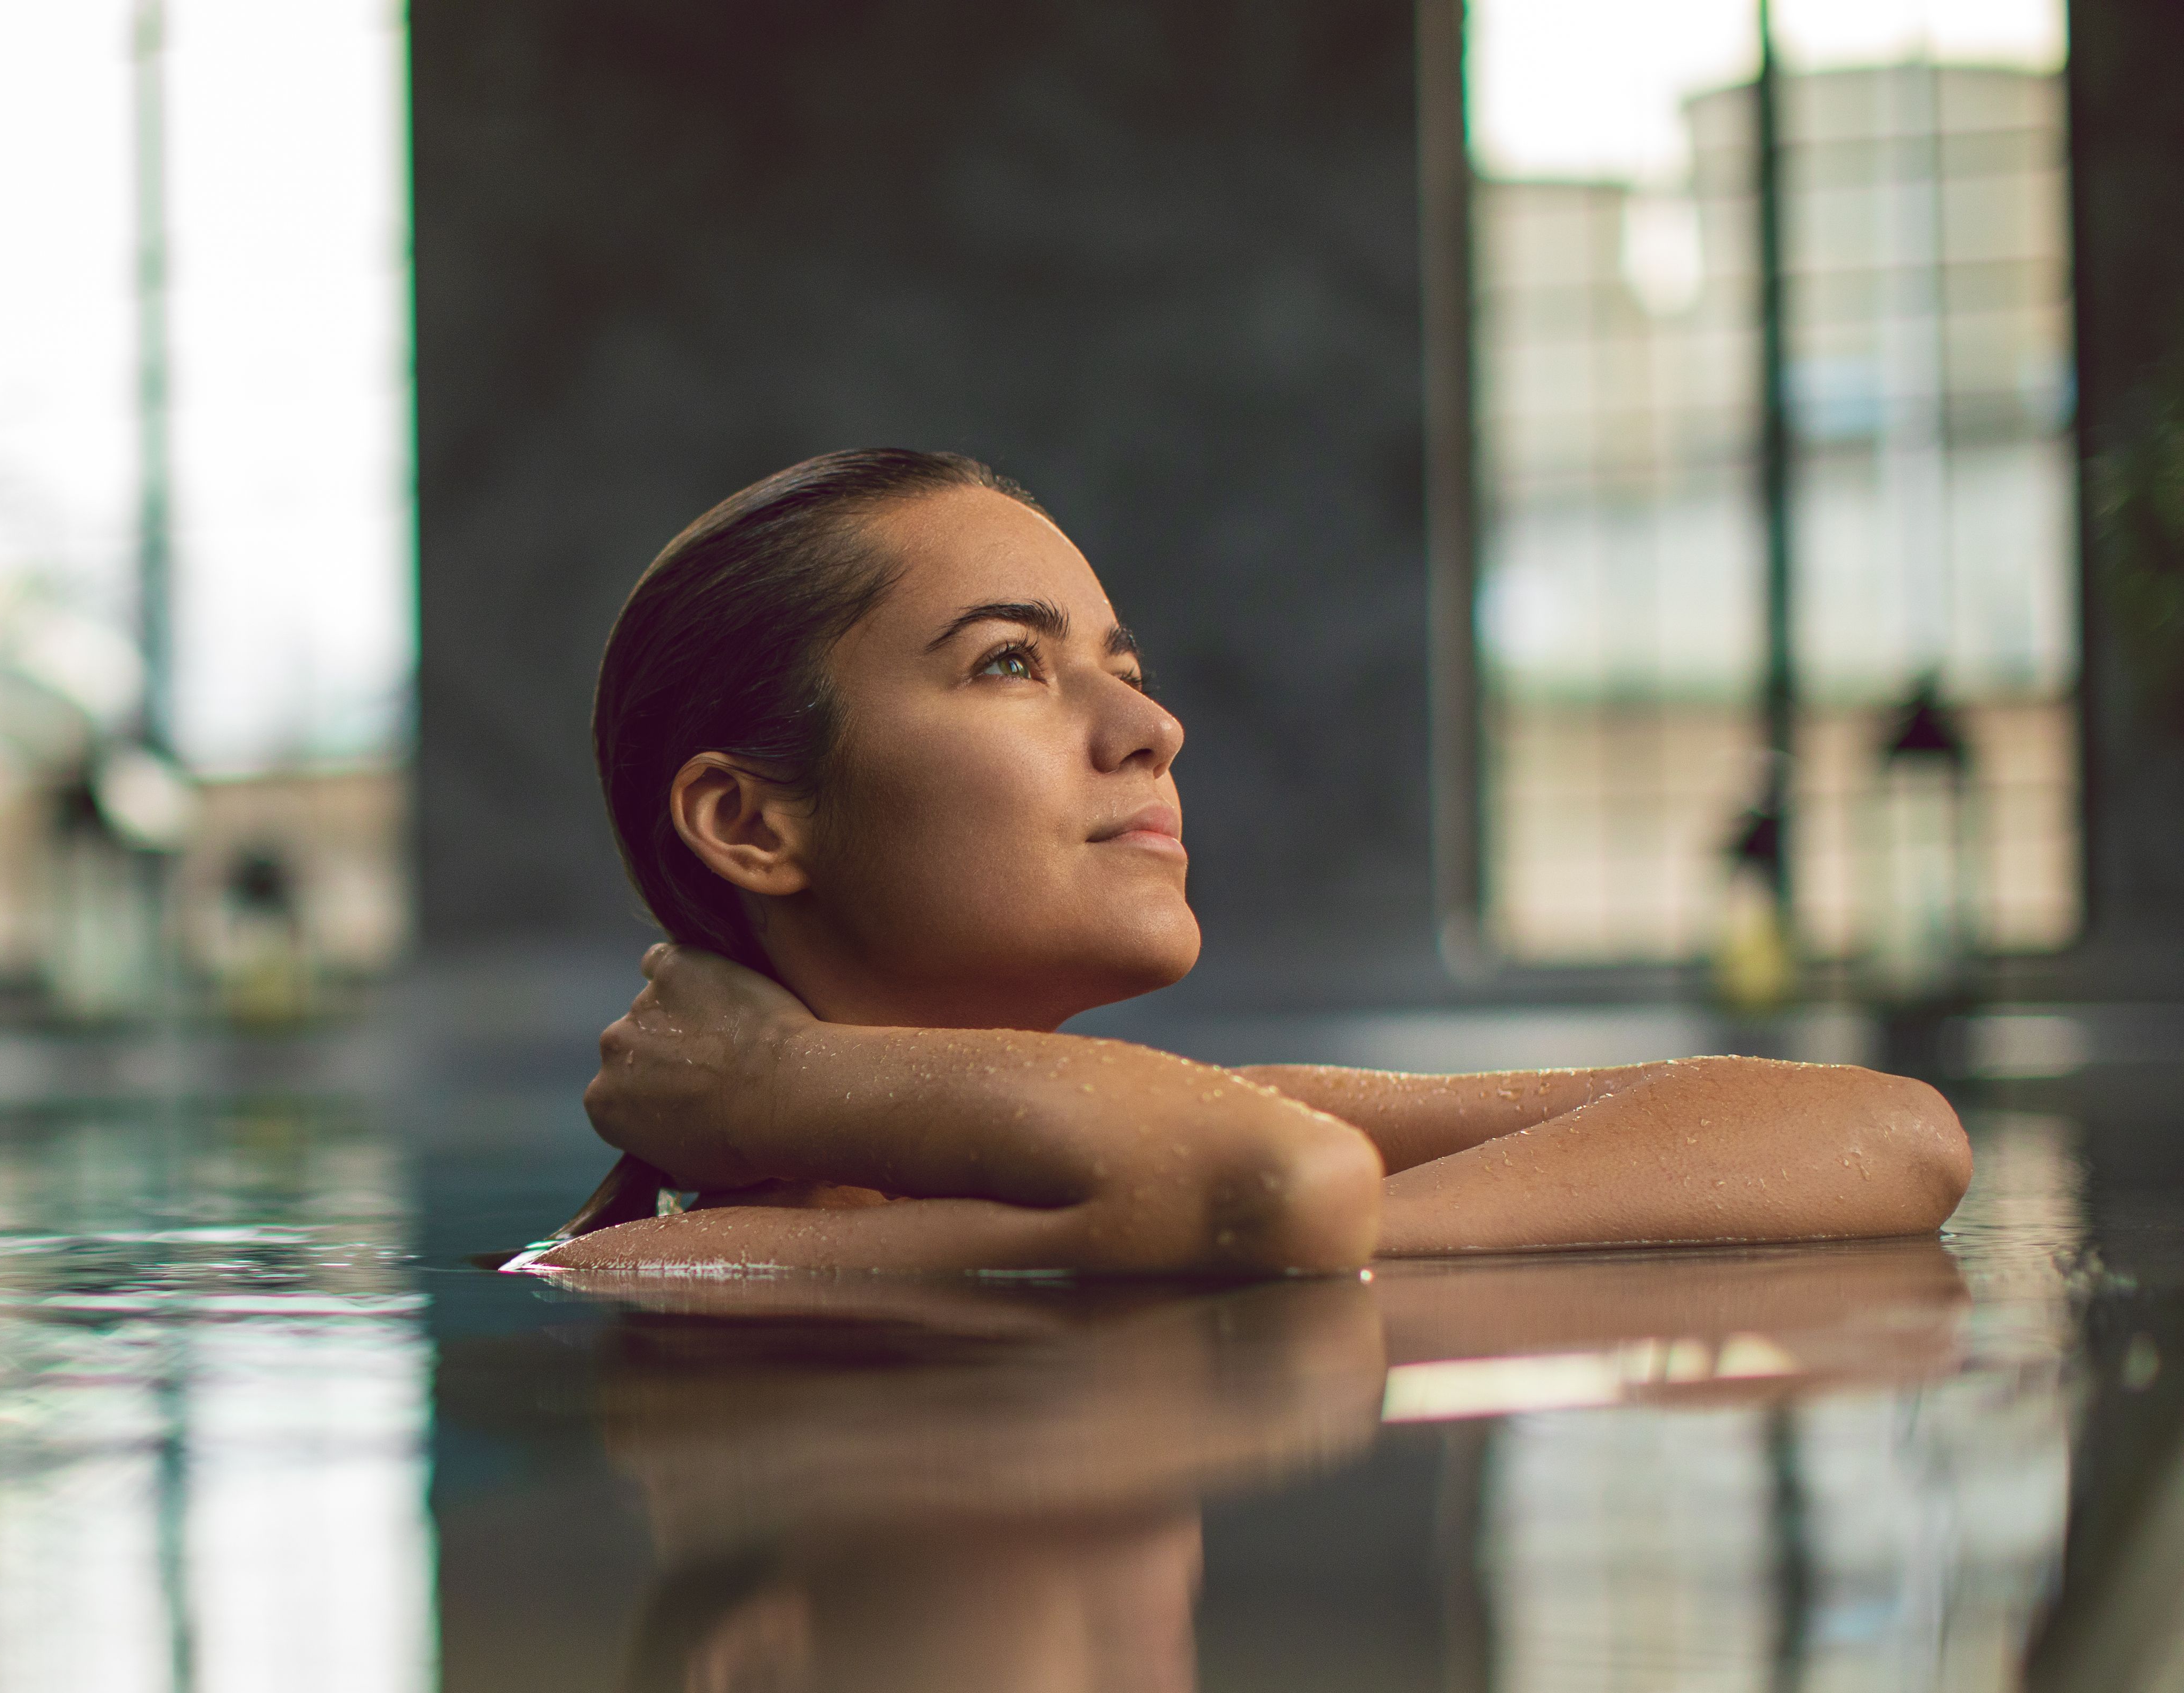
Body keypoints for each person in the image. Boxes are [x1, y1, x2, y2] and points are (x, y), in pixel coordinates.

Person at [523, 449, 1974, 1277]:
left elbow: (1892, 1132)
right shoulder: (667, 1272)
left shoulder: (1171, 1158)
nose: (1151, 727)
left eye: (1123, 665)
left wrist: (796, 1083)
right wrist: (1249, 1221)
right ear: (751, 822)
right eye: (1012, 664)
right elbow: (1274, 1186)